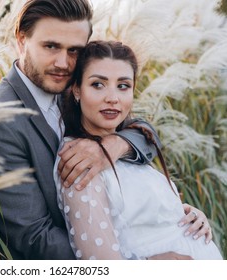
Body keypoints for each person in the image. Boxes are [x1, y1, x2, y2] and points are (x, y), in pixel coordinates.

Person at [0, 0, 211, 259]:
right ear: (22, 40)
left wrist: (112, 147)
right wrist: (133, 264)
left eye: (74, 51)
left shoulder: (75, 88)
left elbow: (146, 134)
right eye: (51, 46)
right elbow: (35, 237)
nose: (63, 62)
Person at [54, 40, 223, 260]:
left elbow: (141, 221)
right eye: (98, 84)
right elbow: (100, 265)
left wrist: (186, 214)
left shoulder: (126, 146)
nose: (113, 98)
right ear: (76, 89)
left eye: (123, 86)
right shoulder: (80, 159)